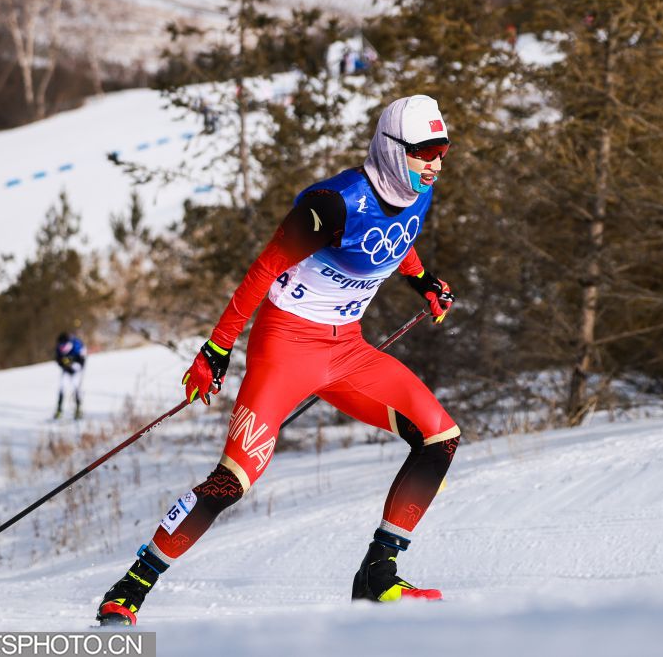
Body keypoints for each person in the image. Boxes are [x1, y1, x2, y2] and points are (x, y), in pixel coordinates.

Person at [96, 95, 461, 625]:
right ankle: (131, 587)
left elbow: (393, 240)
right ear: (390, 149)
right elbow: (264, 268)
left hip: (347, 349)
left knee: (440, 439)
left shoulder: (417, 190)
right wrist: (216, 349)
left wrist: (422, 280)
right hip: (285, 346)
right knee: (235, 479)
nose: (435, 163)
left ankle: (378, 577)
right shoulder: (333, 203)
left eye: (442, 151)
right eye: (425, 152)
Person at [55, 332, 87, 419]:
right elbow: (58, 360)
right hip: (66, 371)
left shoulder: (77, 346)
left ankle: (78, 410)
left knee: (77, 388)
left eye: (64, 346)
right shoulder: (58, 348)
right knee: (62, 388)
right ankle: (59, 410)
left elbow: (82, 361)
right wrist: (64, 364)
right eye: (61, 346)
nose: (62, 348)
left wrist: (73, 364)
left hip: (77, 370)